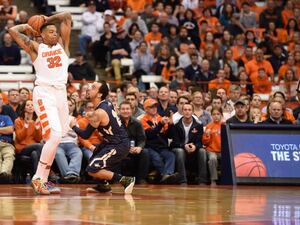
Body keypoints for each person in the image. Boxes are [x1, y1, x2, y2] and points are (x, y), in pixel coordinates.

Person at [9, 12, 72, 195]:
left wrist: (47, 20)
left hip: (61, 94)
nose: (55, 34)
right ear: (41, 35)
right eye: (50, 31)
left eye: (55, 31)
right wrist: (27, 27)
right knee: (55, 135)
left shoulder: (63, 46)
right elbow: (13, 31)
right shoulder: (36, 48)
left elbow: (66, 16)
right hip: (45, 93)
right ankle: (38, 178)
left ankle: (43, 179)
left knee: (58, 137)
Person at [70, 81, 135, 194]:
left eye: (93, 87)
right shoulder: (107, 103)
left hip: (118, 144)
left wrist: (74, 127)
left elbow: (86, 135)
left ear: (99, 94)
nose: (88, 88)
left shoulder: (99, 112)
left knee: (92, 169)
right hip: (111, 141)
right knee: (94, 159)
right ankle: (103, 185)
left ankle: (125, 180)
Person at [171, 103, 206, 185]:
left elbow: (200, 142)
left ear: (193, 112)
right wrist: (184, 146)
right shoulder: (176, 125)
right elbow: (174, 142)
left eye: (189, 110)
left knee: (202, 151)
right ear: (182, 112)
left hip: (193, 149)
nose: (187, 112)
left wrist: (195, 146)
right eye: (185, 110)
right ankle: (183, 180)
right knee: (180, 151)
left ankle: (202, 180)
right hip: (180, 148)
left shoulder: (198, 125)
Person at [119, 101, 149, 184]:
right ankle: (117, 178)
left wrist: (139, 147)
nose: (125, 111)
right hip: (120, 148)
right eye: (123, 109)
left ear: (132, 110)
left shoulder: (137, 123)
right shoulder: (115, 123)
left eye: (127, 109)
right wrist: (125, 148)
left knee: (145, 152)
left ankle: (141, 179)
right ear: (119, 111)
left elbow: (142, 139)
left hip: (134, 148)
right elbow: (114, 139)